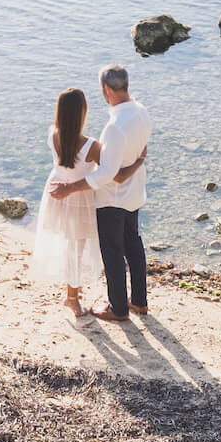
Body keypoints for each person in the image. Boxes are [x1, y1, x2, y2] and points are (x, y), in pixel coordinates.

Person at [49, 65, 152, 323]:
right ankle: (139, 301)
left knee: (113, 252)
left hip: (111, 200)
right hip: (134, 194)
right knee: (134, 245)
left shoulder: (114, 128)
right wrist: (140, 162)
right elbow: (123, 163)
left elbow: (108, 174)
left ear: (106, 90)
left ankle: (118, 308)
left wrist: (71, 188)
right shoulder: (142, 112)